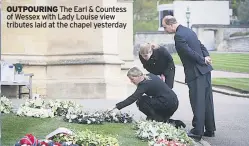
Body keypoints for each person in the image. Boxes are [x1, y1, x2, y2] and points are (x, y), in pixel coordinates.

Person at [162, 15, 216, 141]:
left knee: (197, 101)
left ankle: (197, 131)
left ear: (171, 24)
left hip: (195, 72)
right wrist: (206, 57)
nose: (165, 30)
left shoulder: (179, 36)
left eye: (165, 27)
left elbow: (188, 52)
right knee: (207, 101)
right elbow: (201, 46)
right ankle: (210, 129)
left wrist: (203, 59)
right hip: (205, 70)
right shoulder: (189, 31)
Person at [108, 67, 184, 127]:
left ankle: (154, 119)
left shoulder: (144, 85)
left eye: (132, 79)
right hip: (173, 102)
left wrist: (115, 107)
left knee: (141, 101)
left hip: (168, 104)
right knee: (146, 100)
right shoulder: (149, 76)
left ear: (138, 76)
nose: (131, 81)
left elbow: (132, 98)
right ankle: (172, 122)